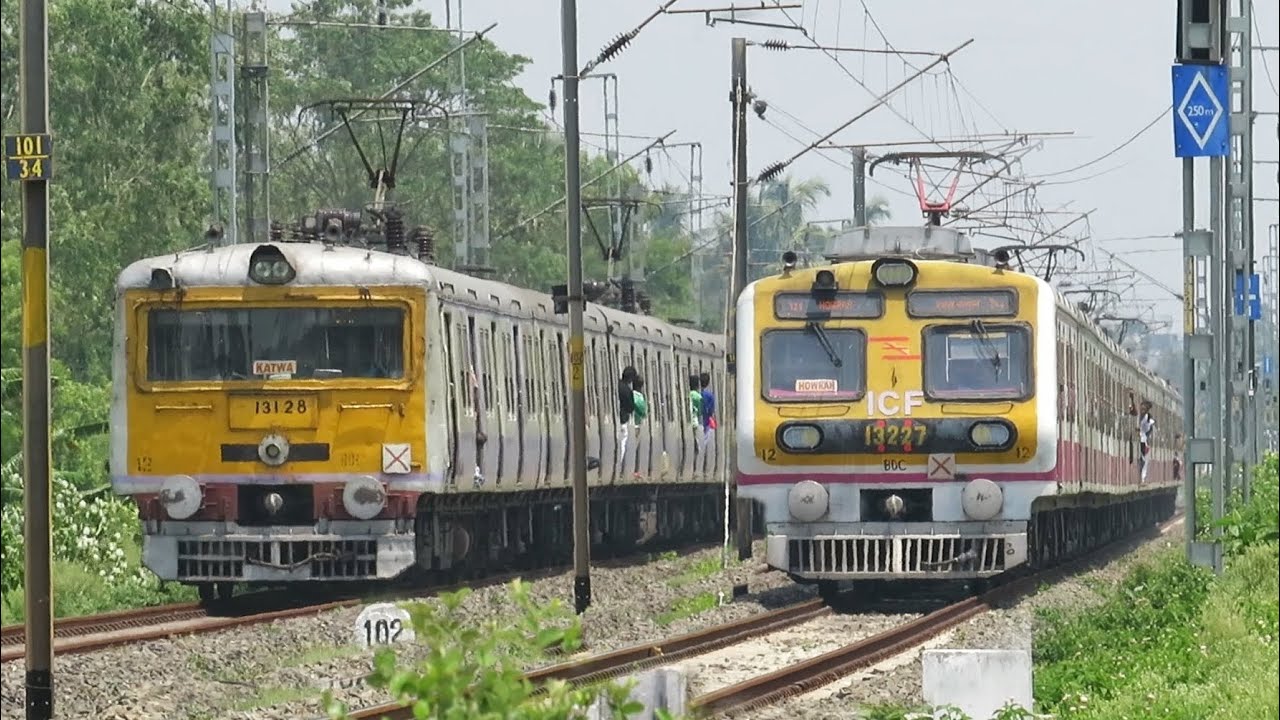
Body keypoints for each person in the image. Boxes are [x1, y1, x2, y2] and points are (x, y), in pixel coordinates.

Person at [1128, 392, 1156, 482]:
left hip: (1143, 440)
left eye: (1145, 408)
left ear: (1147, 410)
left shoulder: (1149, 420)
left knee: (1143, 459)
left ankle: (1142, 477)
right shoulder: (1138, 415)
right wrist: (1132, 399)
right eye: (1142, 406)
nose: (1142, 408)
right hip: (1136, 439)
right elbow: (1134, 411)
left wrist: (1140, 431)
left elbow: (1148, 431)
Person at [618, 366, 638, 467]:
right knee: (623, 443)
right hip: (623, 420)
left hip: (617, 419)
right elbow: (630, 407)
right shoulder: (627, 390)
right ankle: (620, 463)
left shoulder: (618, 385)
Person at [699, 372, 716, 453]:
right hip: (706, 425)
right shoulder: (710, 396)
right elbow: (711, 411)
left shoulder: (696, 394)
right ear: (708, 383)